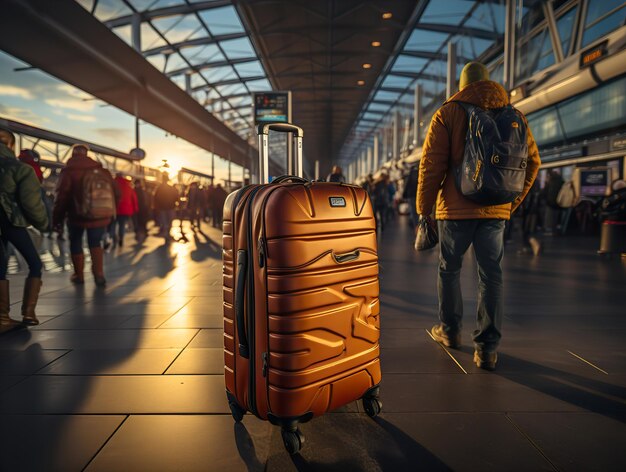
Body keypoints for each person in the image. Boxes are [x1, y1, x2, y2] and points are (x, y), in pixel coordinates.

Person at [417, 62, 541, 370]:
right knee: (491, 276)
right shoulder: (514, 115)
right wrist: (510, 203)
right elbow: (533, 163)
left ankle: (448, 331)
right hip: (494, 212)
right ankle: (486, 348)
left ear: (461, 85)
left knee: (449, 271)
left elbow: (431, 166)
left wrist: (424, 210)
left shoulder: (447, 113)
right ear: (487, 83)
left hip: (454, 212)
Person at [0, 129, 49, 332]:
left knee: (0, 267)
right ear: (11, 145)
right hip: (10, 222)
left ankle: (2, 318)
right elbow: (31, 203)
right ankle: (28, 313)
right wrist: (43, 224)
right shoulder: (21, 168)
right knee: (34, 264)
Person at [53, 144, 116, 286]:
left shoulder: (68, 171)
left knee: (75, 242)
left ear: (73, 154)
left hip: (76, 216)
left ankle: (79, 275)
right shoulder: (102, 171)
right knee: (95, 243)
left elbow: (61, 198)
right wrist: (108, 211)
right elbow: (116, 193)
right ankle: (99, 275)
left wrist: (57, 219)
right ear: (87, 154)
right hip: (99, 216)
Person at [109, 173, 138, 248]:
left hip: (113, 209)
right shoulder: (128, 185)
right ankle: (121, 238)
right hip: (125, 210)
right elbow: (134, 198)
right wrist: (135, 209)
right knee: (122, 225)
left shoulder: (112, 184)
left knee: (113, 225)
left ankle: (113, 239)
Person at [153, 173, 179, 240]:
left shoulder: (159, 188)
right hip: (170, 207)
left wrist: (156, 207)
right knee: (169, 221)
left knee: (164, 221)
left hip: (162, 208)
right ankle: (167, 233)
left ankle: (166, 233)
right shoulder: (171, 188)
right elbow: (177, 196)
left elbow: (156, 198)